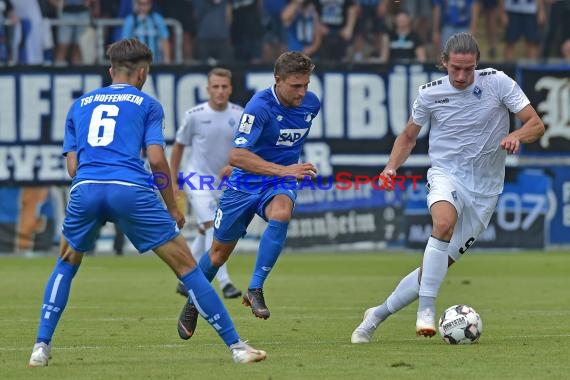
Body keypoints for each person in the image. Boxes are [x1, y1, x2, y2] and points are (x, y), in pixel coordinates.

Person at [27, 38, 266, 367]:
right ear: (142, 73)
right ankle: (238, 347)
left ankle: (40, 346)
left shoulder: (79, 105)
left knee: (66, 263)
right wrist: (171, 205)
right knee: (187, 268)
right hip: (130, 190)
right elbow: (156, 160)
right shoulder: (147, 105)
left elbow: (72, 167)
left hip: (86, 188)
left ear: (111, 70)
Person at [350, 32, 545, 343]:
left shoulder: (499, 83)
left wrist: (516, 137)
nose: (462, 75)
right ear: (443, 63)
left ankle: (375, 315)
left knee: (433, 268)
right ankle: (426, 310)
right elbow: (409, 136)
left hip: (485, 191)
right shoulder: (430, 94)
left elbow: (535, 123)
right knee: (442, 223)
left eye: (468, 69)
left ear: (477, 64)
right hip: (446, 174)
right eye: (455, 68)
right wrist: (391, 168)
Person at [176, 51, 321, 340]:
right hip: (244, 186)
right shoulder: (259, 106)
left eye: (305, 84)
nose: (302, 92)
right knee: (217, 254)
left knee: (281, 213)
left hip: (277, 183)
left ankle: (255, 288)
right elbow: (237, 155)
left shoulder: (311, 104)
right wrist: (284, 170)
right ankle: (193, 302)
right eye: (295, 86)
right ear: (277, 80)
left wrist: (283, 174)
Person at [170, 67, 243, 300]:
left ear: (230, 88)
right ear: (208, 89)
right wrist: (172, 181)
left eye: (224, 87)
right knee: (214, 226)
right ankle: (225, 283)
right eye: (215, 87)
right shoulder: (195, 114)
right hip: (197, 179)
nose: (220, 91)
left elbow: (246, 148)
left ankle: (185, 278)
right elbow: (179, 145)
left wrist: (235, 167)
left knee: (205, 230)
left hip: (225, 183)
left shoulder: (240, 115)